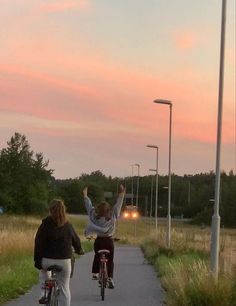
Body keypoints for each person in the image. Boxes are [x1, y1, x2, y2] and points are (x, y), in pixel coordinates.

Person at [34, 199, 83, 306]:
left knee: (43, 271)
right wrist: (79, 250)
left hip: (47, 260)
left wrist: (37, 261)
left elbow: (38, 243)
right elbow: (76, 241)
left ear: (50, 210)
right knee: (64, 288)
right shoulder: (68, 225)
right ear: (63, 210)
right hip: (64, 261)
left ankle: (44, 291)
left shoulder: (45, 225)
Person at [83, 184, 125, 289]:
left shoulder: (94, 216)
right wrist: (121, 193)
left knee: (97, 256)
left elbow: (88, 206)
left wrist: (85, 196)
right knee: (110, 260)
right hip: (109, 242)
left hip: (99, 241)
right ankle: (110, 277)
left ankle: (95, 273)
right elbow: (118, 204)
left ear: (98, 210)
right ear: (108, 210)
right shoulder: (113, 215)